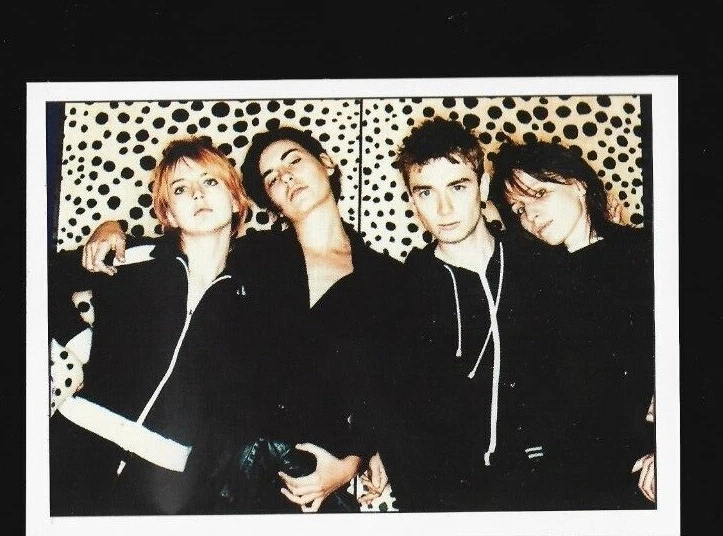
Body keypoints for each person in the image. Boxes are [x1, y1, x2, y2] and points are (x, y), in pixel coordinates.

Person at [78, 125, 404, 512]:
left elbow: (388, 381)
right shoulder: (253, 255)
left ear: (326, 163)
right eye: (272, 178)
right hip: (225, 462)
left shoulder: (387, 278)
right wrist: (112, 227)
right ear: (269, 199)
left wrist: (352, 461)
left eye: (294, 162)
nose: (286, 177)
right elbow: (178, 253)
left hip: (313, 469)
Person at [49, 136, 262, 515]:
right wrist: (82, 343)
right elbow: (39, 278)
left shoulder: (252, 297)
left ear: (235, 200)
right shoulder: (130, 256)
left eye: (210, 181)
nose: (197, 193)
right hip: (77, 439)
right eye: (180, 189)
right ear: (169, 215)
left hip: (167, 477)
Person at [382, 117, 556, 512]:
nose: (444, 209)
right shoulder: (399, 294)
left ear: (483, 186)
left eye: (457, 187)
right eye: (426, 192)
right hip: (449, 500)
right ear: (412, 200)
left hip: (545, 492)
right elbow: (397, 419)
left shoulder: (540, 265)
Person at [487, 138, 656, 509]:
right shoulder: (531, 280)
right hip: (565, 475)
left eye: (540, 194)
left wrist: (668, 449)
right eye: (518, 208)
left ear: (578, 183)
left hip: (636, 473)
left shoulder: (648, 253)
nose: (529, 216)